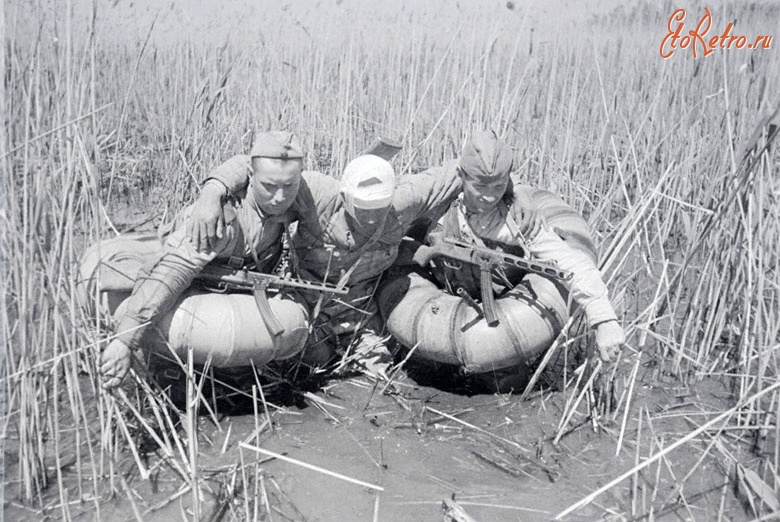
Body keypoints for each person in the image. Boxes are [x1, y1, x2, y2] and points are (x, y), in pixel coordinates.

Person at [189, 153, 462, 373]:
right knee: (310, 366)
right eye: (363, 210)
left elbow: (458, 171)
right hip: (309, 306)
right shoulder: (318, 197)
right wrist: (212, 191)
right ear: (345, 198)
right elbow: (255, 166)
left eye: (379, 210)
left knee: (379, 370)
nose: (371, 219)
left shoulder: (404, 202)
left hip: (361, 310)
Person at [99, 131, 306, 389]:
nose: (279, 197)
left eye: (288, 186)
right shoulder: (223, 221)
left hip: (233, 283)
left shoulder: (295, 198)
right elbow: (171, 272)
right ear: (251, 179)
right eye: (269, 187)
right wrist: (125, 340)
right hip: (193, 274)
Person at [409, 130, 626, 363]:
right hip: (446, 309)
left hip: (500, 321)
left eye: (498, 187)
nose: (489, 197)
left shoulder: (516, 222)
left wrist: (604, 320)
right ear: (461, 176)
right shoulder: (441, 204)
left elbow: (570, 262)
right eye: (480, 186)